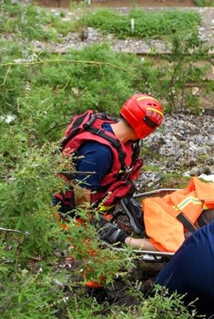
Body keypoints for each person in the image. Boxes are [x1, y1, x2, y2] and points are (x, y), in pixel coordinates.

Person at [53, 94, 165, 297]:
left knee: (101, 244)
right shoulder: (100, 153)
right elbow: (82, 192)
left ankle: (96, 277)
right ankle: (94, 292)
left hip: (96, 202)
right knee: (97, 249)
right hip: (71, 208)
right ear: (145, 128)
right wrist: (90, 223)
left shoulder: (119, 136)